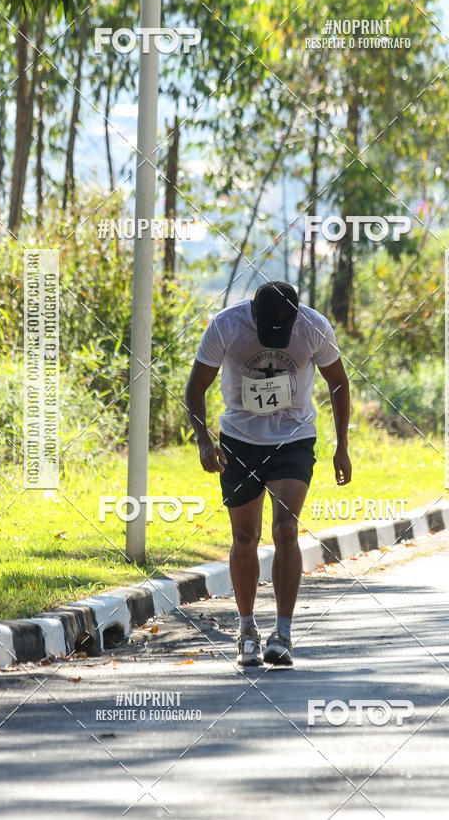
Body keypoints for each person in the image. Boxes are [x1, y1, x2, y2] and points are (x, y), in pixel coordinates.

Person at [185, 281, 351, 667]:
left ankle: (284, 633)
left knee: (285, 528)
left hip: (293, 439)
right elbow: (196, 387)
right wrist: (204, 441)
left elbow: (338, 382)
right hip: (240, 440)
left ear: (295, 316)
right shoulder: (227, 326)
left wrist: (342, 447)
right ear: (254, 314)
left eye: (284, 329)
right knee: (246, 536)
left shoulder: (313, 326)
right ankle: (246, 631)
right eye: (268, 328)